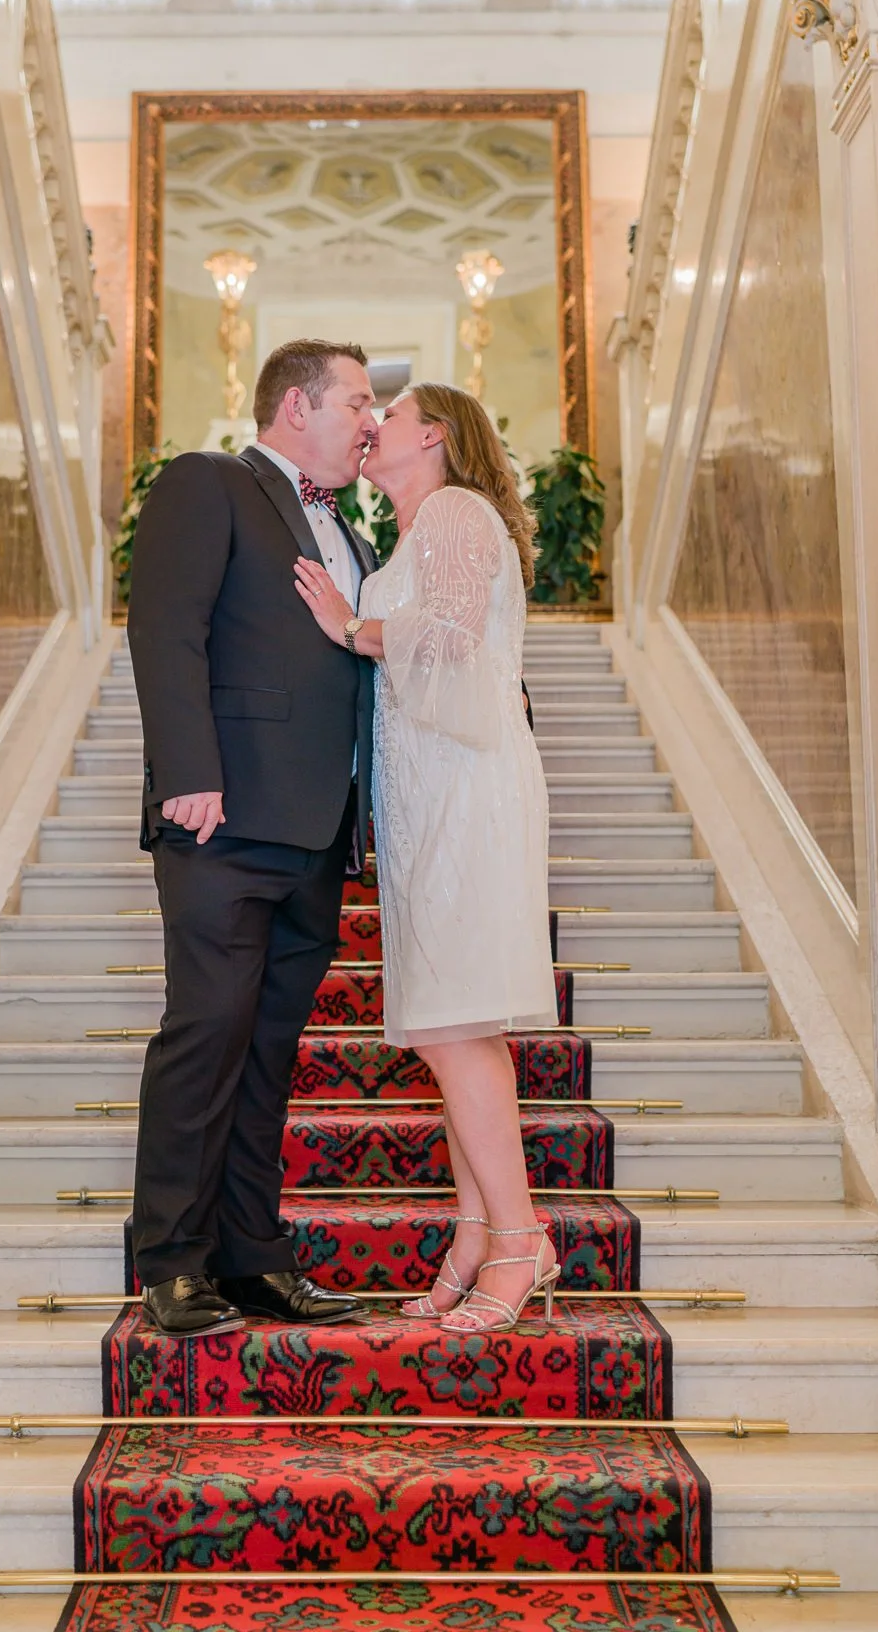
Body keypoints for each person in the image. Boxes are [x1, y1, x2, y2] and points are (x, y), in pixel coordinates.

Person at [127, 339, 381, 1336]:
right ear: (294, 406)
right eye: (356, 399)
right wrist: (188, 769)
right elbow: (166, 627)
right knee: (206, 1036)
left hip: (316, 830)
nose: (370, 419)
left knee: (268, 1050)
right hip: (224, 819)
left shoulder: (345, 527)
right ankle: (172, 1260)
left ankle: (252, 1256)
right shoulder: (210, 482)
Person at [294, 382, 559, 1332]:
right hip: (425, 795)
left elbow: (444, 644)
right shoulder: (419, 530)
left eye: (389, 413)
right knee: (457, 1025)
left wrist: (348, 629)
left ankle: (522, 1238)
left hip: (464, 791)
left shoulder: (452, 509)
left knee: (454, 1028)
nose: (372, 425)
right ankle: (478, 1233)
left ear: (435, 437)